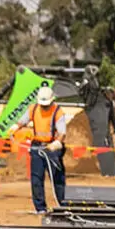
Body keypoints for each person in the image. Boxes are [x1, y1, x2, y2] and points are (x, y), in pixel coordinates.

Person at [14, 85, 67, 213]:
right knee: (36, 178)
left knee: (57, 178)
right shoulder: (33, 109)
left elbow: (62, 133)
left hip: (52, 148)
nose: (44, 107)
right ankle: (40, 207)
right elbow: (22, 121)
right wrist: (14, 129)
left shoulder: (58, 112)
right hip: (37, 146)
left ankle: (63, 205)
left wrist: (56, 143)